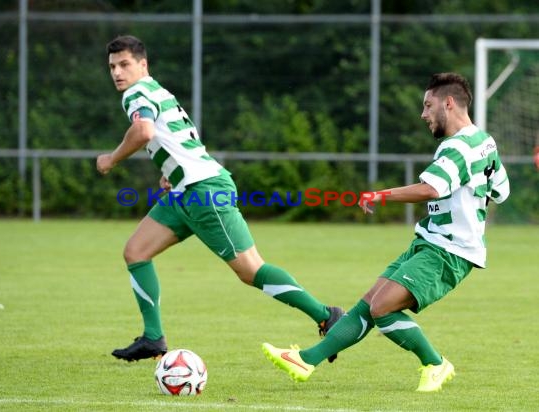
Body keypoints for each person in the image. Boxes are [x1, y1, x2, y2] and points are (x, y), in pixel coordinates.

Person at [96, 35, 343, 362]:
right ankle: (153, 338)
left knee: (251, 271)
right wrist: (173, 170)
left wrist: (111, 159)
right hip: (185, 192)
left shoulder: (137, 92)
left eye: (124, 64)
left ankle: (327, 316)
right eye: (112, 66)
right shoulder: (158, 91)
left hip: (205, 192)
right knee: (136, 251)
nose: (117, 72)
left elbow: (143, 132)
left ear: (143, 64)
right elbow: (184, 138)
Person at [261, 72, 510, 392]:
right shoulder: (484, 141)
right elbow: (500, 191)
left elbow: (431, 189)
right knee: (369, 302)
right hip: (430, 242)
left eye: (428, 105)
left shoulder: (457, 148)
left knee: (382, 308)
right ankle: (306, 360)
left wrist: (380, 194)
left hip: (449, 252)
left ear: (448, 103)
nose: (423, 114)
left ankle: (435, 363)